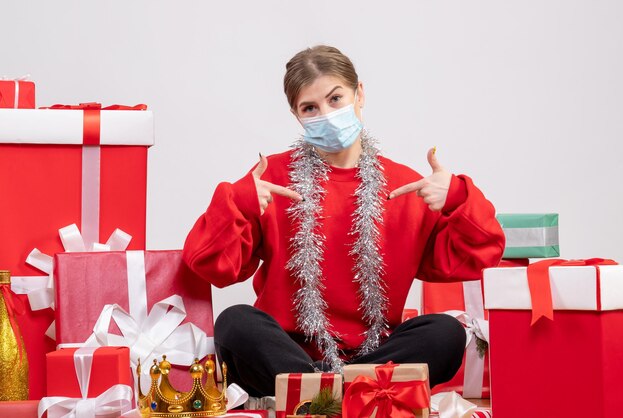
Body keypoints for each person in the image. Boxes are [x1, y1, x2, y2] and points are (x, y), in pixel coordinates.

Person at [183, 45, 505, 397]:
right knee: (235, 322)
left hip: (377, 354)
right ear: (297, 115)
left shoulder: (404, 186)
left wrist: (457, 197)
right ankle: (347, 393)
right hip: (287, 354)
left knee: (446, 332)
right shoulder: (272, 178)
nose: (326, 114)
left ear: (359, 94)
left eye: (335, 98)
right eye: (311, 108)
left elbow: (480, 253)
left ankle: (325, 394)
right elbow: (210, 265)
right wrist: (239, 203)